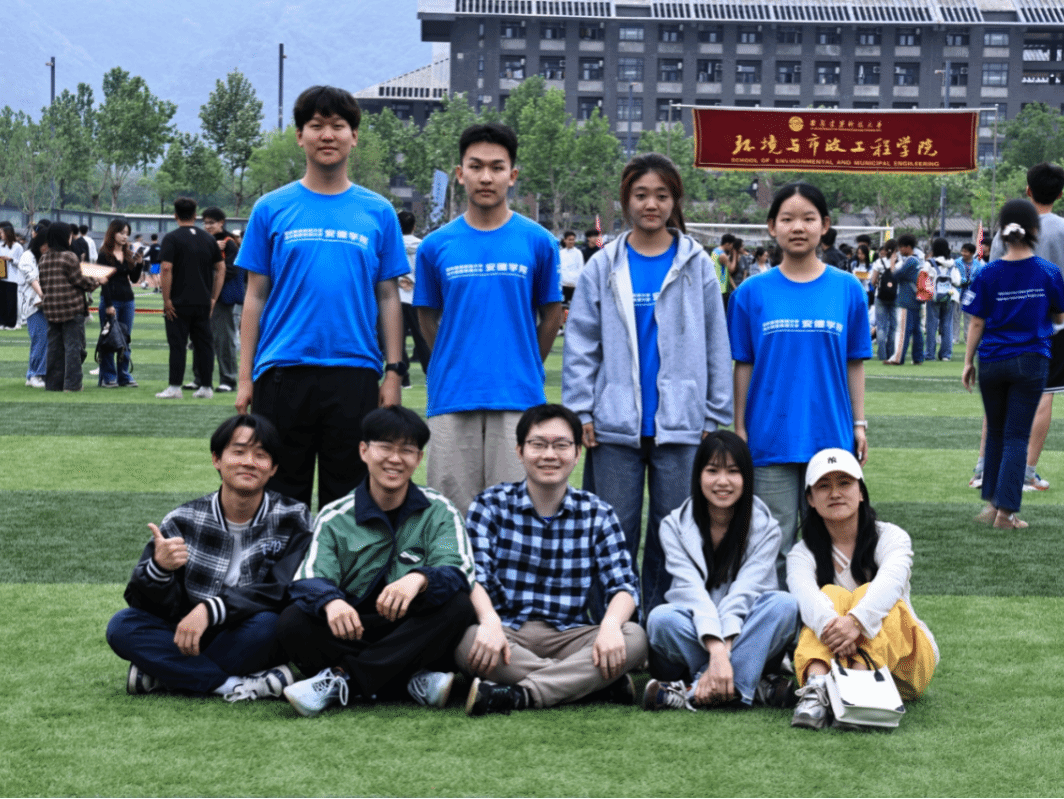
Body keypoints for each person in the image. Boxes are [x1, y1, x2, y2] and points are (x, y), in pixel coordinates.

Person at [563, 152, 732, 616]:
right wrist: (580, 410)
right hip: (614, 422)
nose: (651, 204)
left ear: (675, 200)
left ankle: (662, 624)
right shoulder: (603, 264)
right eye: (641, 195)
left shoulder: (697, 264)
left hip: (682, 422)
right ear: (626, 200)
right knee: (611, 529)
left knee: (673, 533)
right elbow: (581, 342)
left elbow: (716, 341)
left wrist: (716, 414)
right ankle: (610, 627)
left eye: (661, 195)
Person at [236, 85, 407, 510]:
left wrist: (393, 372)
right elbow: (255, 296)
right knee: (279, 500)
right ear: (300, 136)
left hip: (354, 371)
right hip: (282, 372)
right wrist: (244, 377)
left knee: (349, 503)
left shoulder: (378, 211)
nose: (327, 135)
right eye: (316, 126)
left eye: (338, 126)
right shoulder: (271, 208)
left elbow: (388, 296)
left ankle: (341, 562)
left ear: (354, 136)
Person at [277, 406, 476, 717]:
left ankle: (343, 680)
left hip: (413, 625)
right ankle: (409, 680)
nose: (395, 459)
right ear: (364, 451)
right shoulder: (335, 515)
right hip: (354, 626)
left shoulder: (440, 510)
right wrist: (331, 602)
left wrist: (419, 578)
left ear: (419, 458)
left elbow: (458, 569)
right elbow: (309, 578)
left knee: (459, 607)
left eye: (406, 450)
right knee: (293, 620)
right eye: (385, 447)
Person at [456, 404, 648, 716]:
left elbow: (624, 585)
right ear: (520, 451)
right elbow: (473, 575)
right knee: (466, 640)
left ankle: (521, 694)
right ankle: (592, 684)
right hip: (507, 631)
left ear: (577, 453)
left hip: (570, 635)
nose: (549, 455)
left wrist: (611, 624)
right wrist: (489, 621)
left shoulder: (597, 513)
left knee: (634, 637)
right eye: (538, 444)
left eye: (561, 445)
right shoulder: (490, 505)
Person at [105, 414, 313, 701]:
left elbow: (282, 589)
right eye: (238, 452)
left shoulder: (294, 518)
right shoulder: (182, 519)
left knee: (271, 626)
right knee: (123, 625)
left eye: (261, 455)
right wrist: (158, 569)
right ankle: (230, 685)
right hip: (186, 631)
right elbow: (142, 603)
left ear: (273, 468)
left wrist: (211, 609)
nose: (249, 462)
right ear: (217, 459)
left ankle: (165, 674)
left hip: (247, 631)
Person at [414, 123, 564, 514]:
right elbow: (426, 316)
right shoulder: (435, 246)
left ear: (512, 176)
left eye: (497, 167)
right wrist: (451, 357)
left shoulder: (538, 241)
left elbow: (552, 315)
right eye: (476, 166)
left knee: (513, 516)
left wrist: (528, 361)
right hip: (452, 395)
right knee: (450, 516)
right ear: (460, 173)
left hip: (517, 395)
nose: (486, 177)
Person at [728, 182, 871, 584]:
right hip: (768, 437)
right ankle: (774, 623)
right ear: (771, 226)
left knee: (831, 543)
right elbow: (743, 364)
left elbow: (854, 362)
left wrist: (859, 424)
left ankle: (827, 621)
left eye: (808, 218)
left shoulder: (848, 289)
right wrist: (739, 427)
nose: (798, 227)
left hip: (830, 434)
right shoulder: (750, 293)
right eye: (787, 219)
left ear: (824, 225)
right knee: (770, 546)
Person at [643, 431, 799, 711]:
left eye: (733, 471)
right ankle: (749, 684)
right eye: (713, 470)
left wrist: (724, 650)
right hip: (697, 629)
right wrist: (715, 648)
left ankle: (694, 690)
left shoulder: (766, 528)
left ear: (746, 477)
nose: (723, 481)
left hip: (747, 627)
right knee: (661, 619)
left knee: (784, 605)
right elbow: (690, 593)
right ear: (698, 475)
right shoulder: (673, 526)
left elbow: (745, 594)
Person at [787, 448, 938, 730]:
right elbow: (805, 598)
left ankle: (858, 692)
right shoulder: (802, 553)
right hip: (836, 660)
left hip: (905, 666)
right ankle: (816, 692)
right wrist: (842, 628)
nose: (835, 493)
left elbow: (890, 583)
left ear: (861, 492)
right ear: (810, 499)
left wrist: (856, 623)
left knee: (875, 596)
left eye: (844, 483)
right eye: (824, 486)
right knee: (829, 596)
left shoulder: (891, 536)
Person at [962, 199, 1064, 529]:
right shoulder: (1049, 272)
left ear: (1001, 233)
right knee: (1017, 436)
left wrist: (967, 362)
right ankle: (1005, 513)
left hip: (992, 359)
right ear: (1034, 230)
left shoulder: (987, 273)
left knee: (995, 432)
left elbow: (976, 322)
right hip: (1031, 360)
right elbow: (1059, 317)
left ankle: (992, 504)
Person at [156, 197, 225, 400]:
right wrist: (213, 298)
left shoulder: (172, 238)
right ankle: (206, 387)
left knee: (178, 344)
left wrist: (166, 300)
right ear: (195, 215)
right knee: (204, 345)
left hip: (178, 301)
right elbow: (221, 269)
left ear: (175, 215)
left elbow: (166, 268)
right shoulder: (208, 239)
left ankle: (174, 387)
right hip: (203, 301)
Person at [38, 222, 106, 392]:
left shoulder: (44, 258)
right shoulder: (69, 257)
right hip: (71, 309)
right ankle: (72, 385)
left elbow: (44, 285)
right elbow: (81, 281)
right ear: (65, 237)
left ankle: (53, 385)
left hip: (51, 310)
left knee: (54, 349)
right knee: (74, 348)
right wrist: (98, 281)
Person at [192, 207, 242, 393]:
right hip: (202, 297)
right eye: (205, 223)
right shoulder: (205, 241)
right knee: (199, 338)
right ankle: (199, 378)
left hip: (222, 299)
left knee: (224, 340)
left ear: (221, 223)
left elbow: (231, 270)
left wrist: (209, 275)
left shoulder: (229, 244)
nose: (207, 226)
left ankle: (228, 379)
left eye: (211, 223)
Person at [96, 219, 143, 388]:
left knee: (125, 339)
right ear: (113, 233)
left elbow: (134, 279)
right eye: (121, 233)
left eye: (127, 233)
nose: (125, 236)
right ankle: (108, 377)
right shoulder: (104, 254)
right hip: (111, 300)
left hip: (128, 300)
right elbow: (103, 280)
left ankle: (124, 375)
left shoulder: (128, 253)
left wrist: (139, 264)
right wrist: (109, 305)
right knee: (109, 339)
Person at [397, 210, 430, 386]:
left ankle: (404, 379)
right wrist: (413, 281)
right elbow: (427, 273)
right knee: (422, 338)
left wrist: (400, 280)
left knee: (397, 340)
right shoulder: (423, 246)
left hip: (396, 298)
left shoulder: (392, 246)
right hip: (416, 298)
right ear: (414, 226)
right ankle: (430, 376)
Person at [884, 234, 925, 365]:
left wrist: (892, 264)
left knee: (903, 330)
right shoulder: (917, 260)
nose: (899, 250)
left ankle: (898, 358)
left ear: (908, 247)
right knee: (917, 330)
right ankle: (918, 357)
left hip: (907, 299)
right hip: (915, 299)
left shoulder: (911, 261)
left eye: (901, 247)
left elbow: (896, 275)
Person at [15, 230, 47, 387]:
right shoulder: (28, 256)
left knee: (44, 339)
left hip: (44, 303)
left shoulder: (44, 256)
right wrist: (42, 294)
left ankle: (35, 374)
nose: (48, 248)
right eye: (46, 244)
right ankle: (35, 374)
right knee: (40, 339)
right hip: (32, 303)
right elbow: (31, 277)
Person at [924, 238, 961, 362]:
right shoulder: (953, 263)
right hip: (950, 296)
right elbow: (957, 281)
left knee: (931, 325)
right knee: (947, 325)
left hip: (933, 296)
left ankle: (930, 354)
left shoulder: (930, 263)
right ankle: (946, 354)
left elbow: (923, 278)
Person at [870, 238, 898, 362]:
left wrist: (880, 285)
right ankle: (891, 353)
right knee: (894, 326)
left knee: (881, 325)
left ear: (885, 250)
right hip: (896, 296)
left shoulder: (878, 262)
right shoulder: (900, 263)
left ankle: (882, 354)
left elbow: (873, 281)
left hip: (880, 296)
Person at [954, 242, 984, 345]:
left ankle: (968, 337)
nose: (963, 253)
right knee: (955, 316)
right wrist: (963, 280)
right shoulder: (956, 262)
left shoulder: (977, 264)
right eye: (962, 251)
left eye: (966, 251)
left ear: (971, 253)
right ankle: (955, 337)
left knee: (969, 317)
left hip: (970, 293)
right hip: (958, 291)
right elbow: (954, 275)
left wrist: (970, 281)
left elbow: (979, 278)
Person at [1, 221, 25, 329]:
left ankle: (11, 323)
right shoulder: (1, 246)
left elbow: (22, 263)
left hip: (13, 278)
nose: (1, 235)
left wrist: (11, 259)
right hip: (2, 276)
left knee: (11, 302)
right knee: (2, 302)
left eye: (2, 233)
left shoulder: (18, 247)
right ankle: (2, 322)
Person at [559, 229, 584, 307]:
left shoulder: (578, 253)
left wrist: (575, 282)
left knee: (573, 307)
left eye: (573, 239)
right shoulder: (561, 253)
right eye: (569, 239)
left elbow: (580, 268)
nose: (571, 241)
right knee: (562, 307)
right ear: (565, 240)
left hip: (574, 286)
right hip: (563, 285)